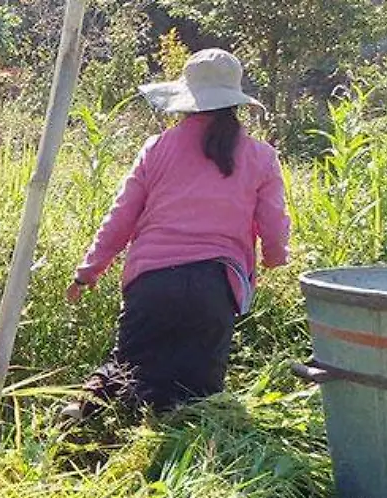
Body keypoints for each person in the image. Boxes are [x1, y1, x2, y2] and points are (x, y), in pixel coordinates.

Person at [65, 48, 292, 415]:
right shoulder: (261, 156)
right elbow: (274, 223)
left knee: (127, 369)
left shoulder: (157, 148)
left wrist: (87, 272)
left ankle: (82, 413)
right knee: (197, 395)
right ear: (234, 101)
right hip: (215, 287)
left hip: (151, 281)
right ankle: (180, 454)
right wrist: (275, 258)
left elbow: (121, 216)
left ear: (186, 99)